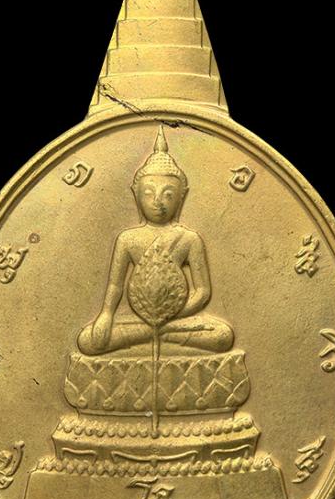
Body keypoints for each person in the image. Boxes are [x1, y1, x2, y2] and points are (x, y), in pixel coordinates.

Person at [77, 126, 234, 355]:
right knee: (87, 340)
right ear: (136, 194)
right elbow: (115, 285)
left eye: (168, 194)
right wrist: (106, 315)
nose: (158, 201)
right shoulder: (128, 239)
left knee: (222, 335)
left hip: (175, 319)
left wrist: (173, 315)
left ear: (181, 197)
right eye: (149, 193)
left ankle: (160, 333)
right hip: (139, 319)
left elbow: (202, 292)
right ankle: (156, 334)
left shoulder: (189, 239)